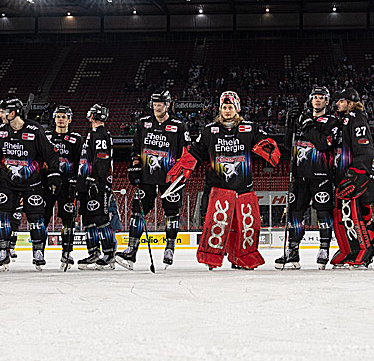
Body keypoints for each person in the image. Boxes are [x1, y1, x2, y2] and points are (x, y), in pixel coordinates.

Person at [165, 91, 280, 270]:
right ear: (220, 109)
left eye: (230, 107)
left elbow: (265, 141)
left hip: (243, 188)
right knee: (215, 225)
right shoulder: (209, 130)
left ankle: (240, 258)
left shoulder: (249, 128)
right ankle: (212, 258)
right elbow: (195, 152)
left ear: (237, 109)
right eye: (224, 107)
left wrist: (268, 146)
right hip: (217, 188)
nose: (227, 111)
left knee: (244, 227)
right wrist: (184, 167)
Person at [0, 98, 61, 272]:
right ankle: (3, 251)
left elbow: (51, 154)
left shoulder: (35, 130)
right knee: (2, 216)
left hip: (33, 183)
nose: (0, 115)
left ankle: (38, 252)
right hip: (7, 183)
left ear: (13, 113)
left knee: (36, 219)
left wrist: (53, 174)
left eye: (3, 111)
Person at [117, 90, 191, 270]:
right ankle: (131, 250)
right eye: (155, 104)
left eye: (160, 104)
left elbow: (186, 152)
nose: (157, 107)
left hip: (170, 178)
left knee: (172, 212)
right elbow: (135, 147)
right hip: (147, 177)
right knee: (137, 210)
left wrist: (182, 174)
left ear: (167, 105)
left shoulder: (179, 125)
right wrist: (135, 167)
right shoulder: (143, 123)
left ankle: (169, 249)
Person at [275, 85, 338, 270]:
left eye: (321, 97)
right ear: (310, 100)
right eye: (315, 97)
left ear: (327, 101)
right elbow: (288, 145)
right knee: (295, 214)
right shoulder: (301, 119)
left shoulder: (332, 121)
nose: (317, 100)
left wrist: (307, 124)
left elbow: (324, 144)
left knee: (323, 213)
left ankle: (324, 249)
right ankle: (292, 252)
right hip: (299, 176)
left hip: (321, 175)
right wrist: (289, 125)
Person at [329, 88, 374, 269]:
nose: (338, 104)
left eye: (342, 101)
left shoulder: (355, 118)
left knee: (357, 214)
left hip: (357, 176)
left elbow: (366, 149)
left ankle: (363, 250)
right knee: (347, 215)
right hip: (345, 175)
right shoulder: (344, 120)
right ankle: (352, 249)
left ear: (350, 102)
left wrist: (355, 174)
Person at [76, 104, 117, 270]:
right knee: (88, 220)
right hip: (86, 184)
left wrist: (95, 178)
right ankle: (94, 252)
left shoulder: (100, 134)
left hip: (97, 185)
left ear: (92, 116)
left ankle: (109, 254)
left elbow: (102, 158)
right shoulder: (92, 133)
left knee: (100, 219)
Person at [45, 105, 83, 269]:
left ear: (69, 119)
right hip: (47, 183)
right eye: (58, 116)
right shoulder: (45, 136)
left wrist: (76, 181)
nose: (61, 119)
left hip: (67, 184)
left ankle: (67, 253)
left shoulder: (76, 138)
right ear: (54, 119)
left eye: (64, 116)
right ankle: (38, 251)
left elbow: (81, 161)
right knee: (42, 217)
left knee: (68, 220)